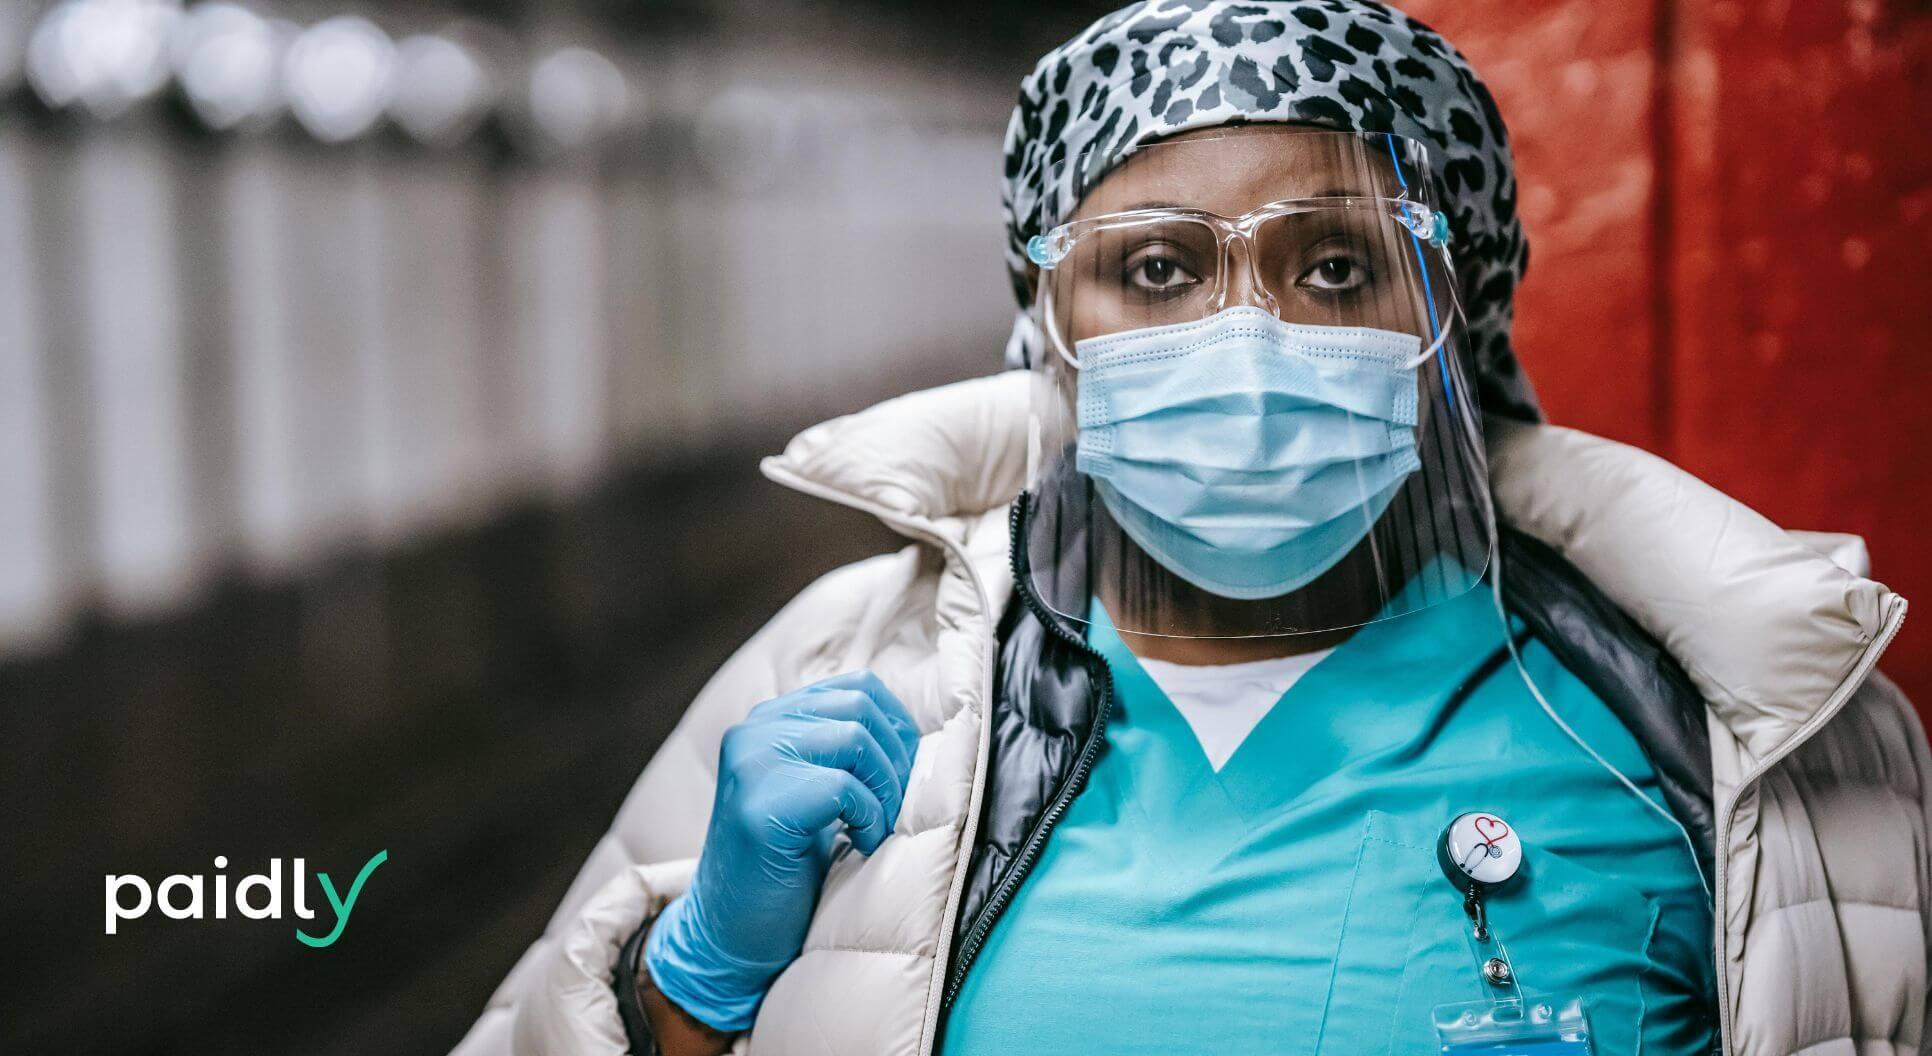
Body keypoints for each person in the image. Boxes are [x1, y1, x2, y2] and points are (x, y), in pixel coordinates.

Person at [456, 3, 1929, 1055]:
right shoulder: (844, 673)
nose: (1251, 340)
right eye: (1156, 268)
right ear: (1048, 322)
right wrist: (687, 994)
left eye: (1339, 266)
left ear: (1452, 318)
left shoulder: (1747, 744)